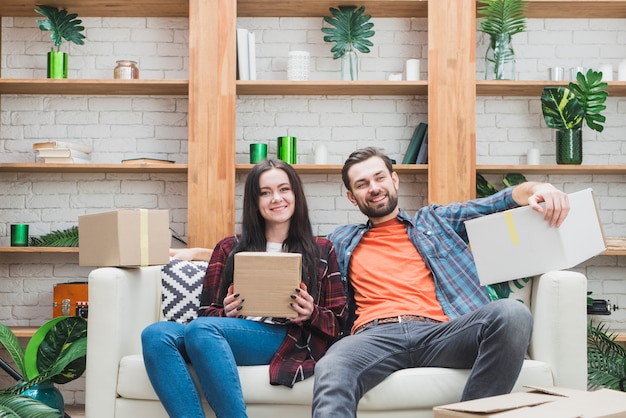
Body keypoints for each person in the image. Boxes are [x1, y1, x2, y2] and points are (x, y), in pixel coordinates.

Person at [312, 147, 570, 417]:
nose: (374, 188)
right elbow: (298, 248)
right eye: (362, 184)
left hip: (441, 334)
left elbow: (497, 203)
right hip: (373, 336)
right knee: (333, 365)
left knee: (513, 314)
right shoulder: (339, 239)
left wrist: (541, 188)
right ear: (352, 197)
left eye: (380, 178)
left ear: (394, 179)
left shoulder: (435, 220)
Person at [142, 158, 347, 418]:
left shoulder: (320, 249)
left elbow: (340, 323)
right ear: (254, 201)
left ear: (296, 194)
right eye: (265, 192)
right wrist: (226, 313)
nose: (276, 198)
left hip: (286, 336)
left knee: (202, 330)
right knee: (155, 335)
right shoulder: (229, 247)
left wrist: (311, 313)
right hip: (228, 334)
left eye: (284, 189)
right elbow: (206, 315)